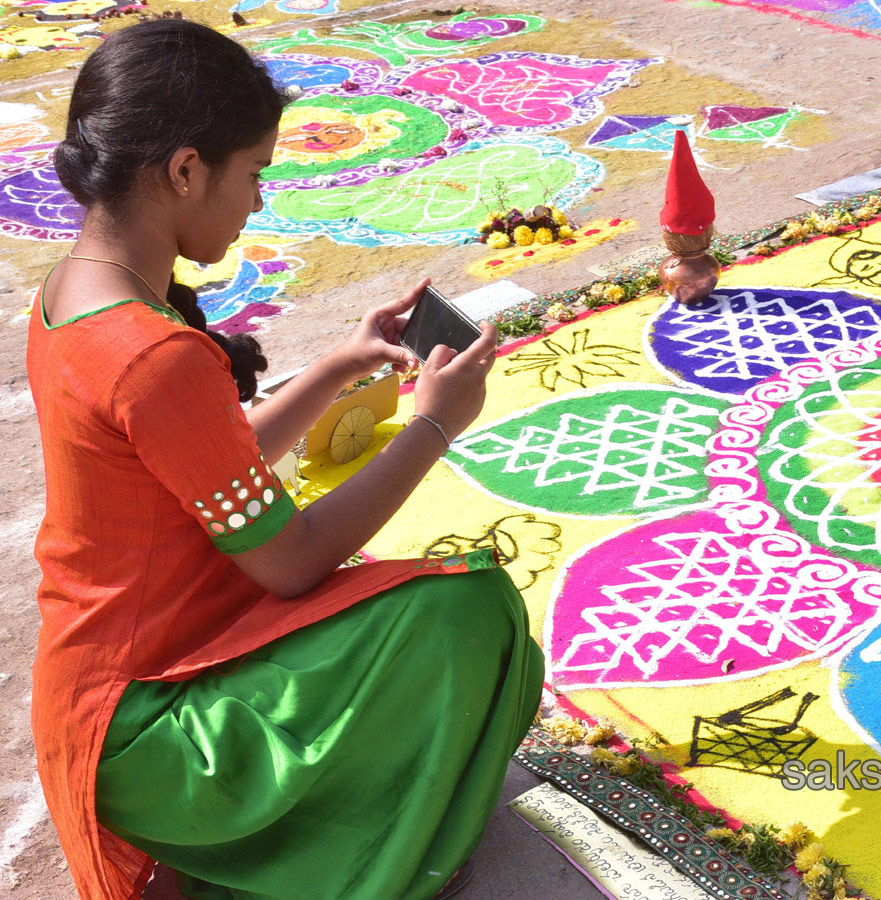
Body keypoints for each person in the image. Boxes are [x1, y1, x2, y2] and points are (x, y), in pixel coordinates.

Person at [26, 19, 544, 900]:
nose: (259, 202)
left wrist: (343, 362)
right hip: (151, 731)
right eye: (255, 174)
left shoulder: (73, 295)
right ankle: (352, 861)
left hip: (97, 696)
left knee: (423, 608)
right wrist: (434, 426)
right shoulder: (153, 356)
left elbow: (206, 469)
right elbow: (292, 563)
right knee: (467, 608)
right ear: (185, 170)